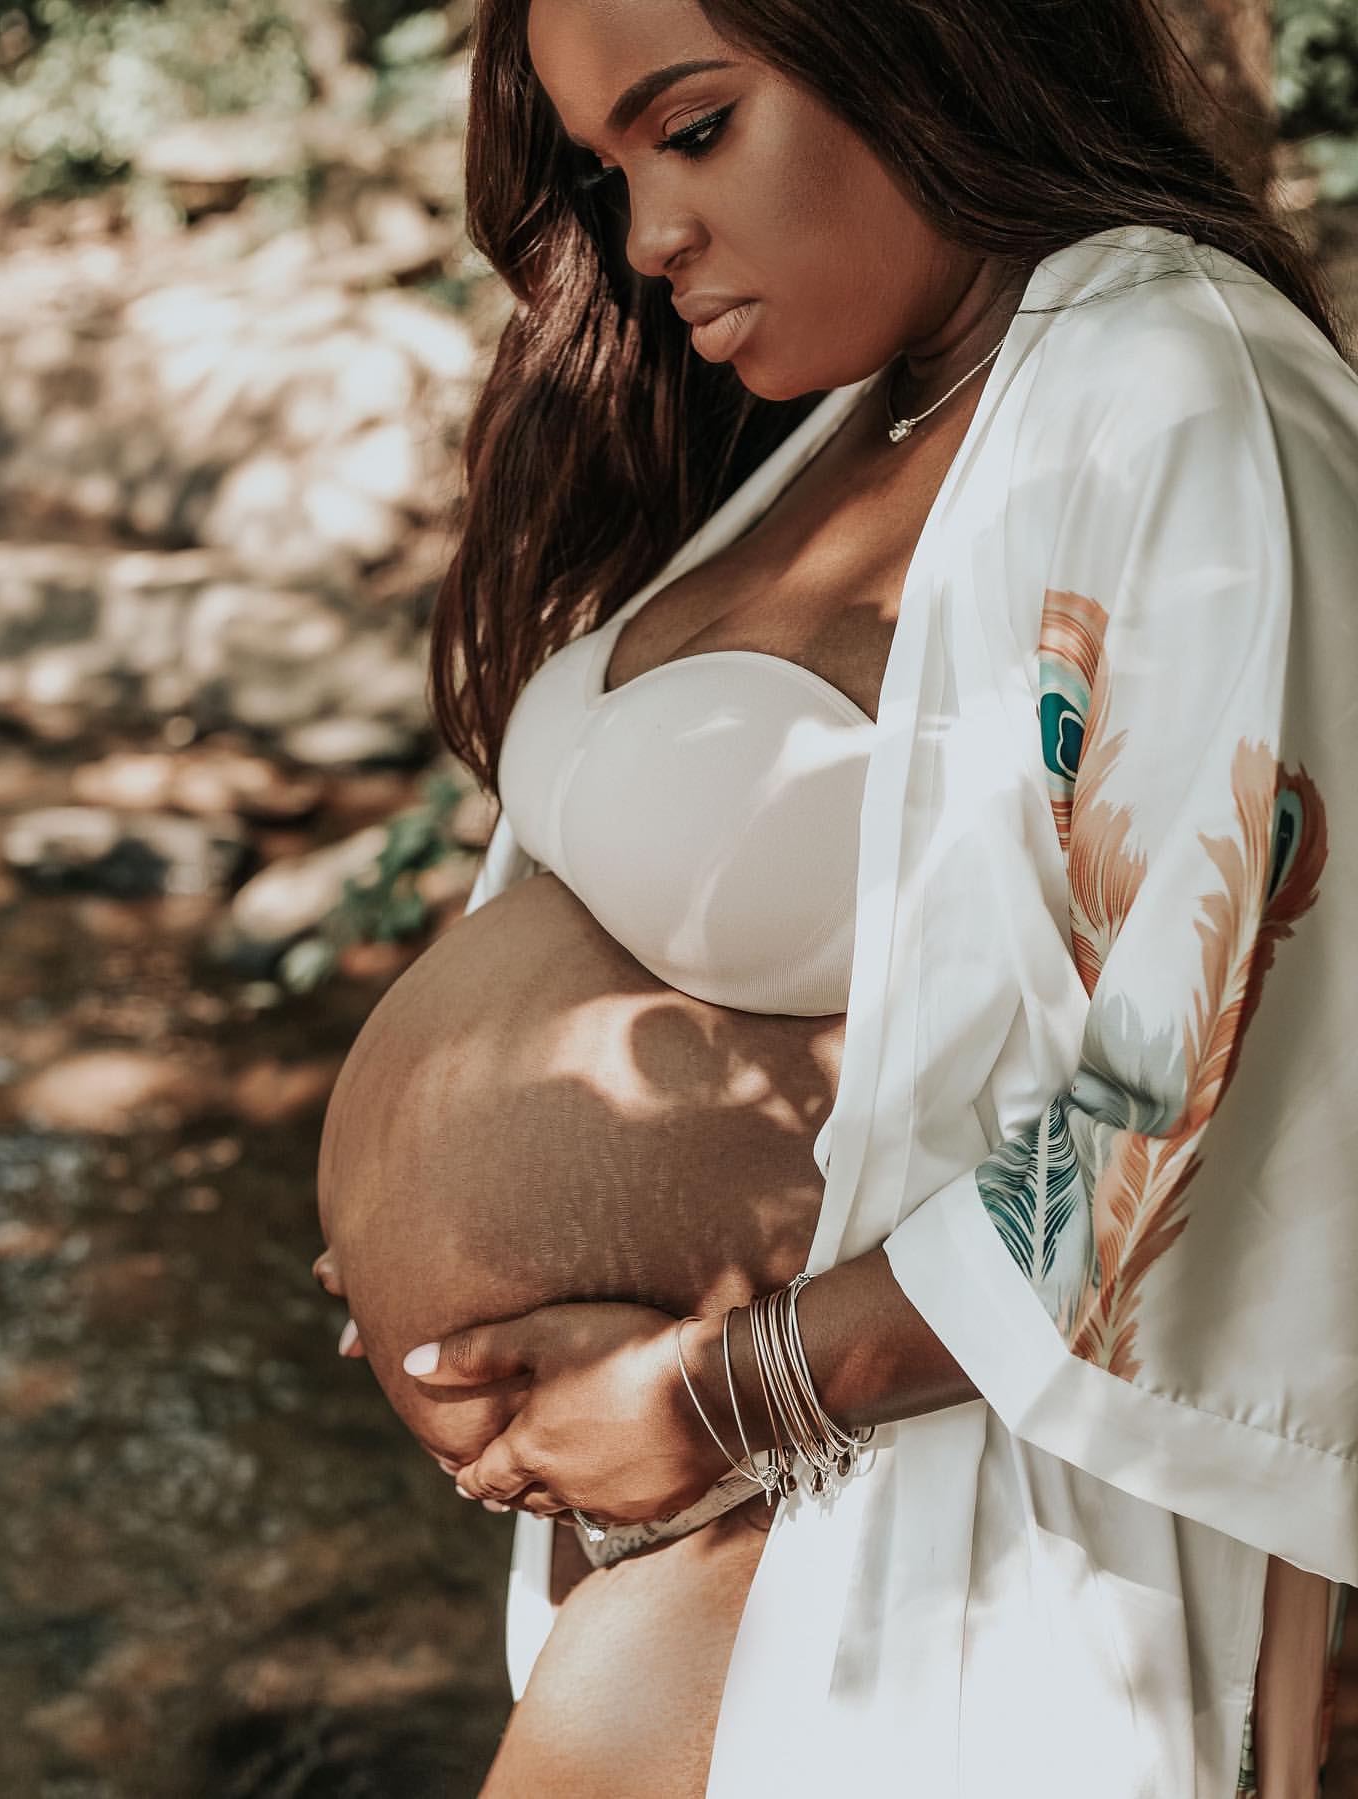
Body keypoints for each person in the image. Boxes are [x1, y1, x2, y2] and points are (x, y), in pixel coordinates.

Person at [313, 0, 1358, 1792]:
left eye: (696, 130)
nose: (647, 243)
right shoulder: (867, 401)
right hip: (741, 1494)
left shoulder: (1173, 384)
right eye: (609, 171)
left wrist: (736, 1393)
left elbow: (1215, 1051)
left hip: (905, 1494)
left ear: (923, 44)